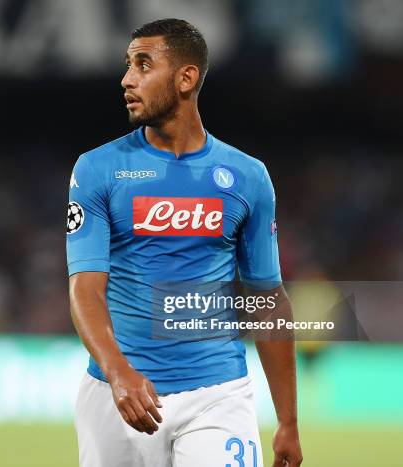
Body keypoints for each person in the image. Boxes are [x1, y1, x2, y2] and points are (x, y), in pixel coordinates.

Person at [66, 18, 302, 467]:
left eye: (143, 64)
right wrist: (118, 372)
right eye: (127, 65)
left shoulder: (248, 177)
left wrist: (287, 421)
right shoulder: (97, 170)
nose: (127, 78)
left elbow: (268, 300)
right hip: (116, 396)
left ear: (186, 78)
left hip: (217, 395)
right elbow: (85, 289)